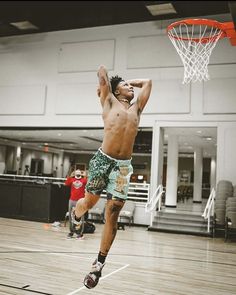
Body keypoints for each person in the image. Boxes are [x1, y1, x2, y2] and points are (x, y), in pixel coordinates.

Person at [71, 65, 152, 289]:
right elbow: (101, 71)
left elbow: (148, 83)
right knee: (90, 202)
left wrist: (129, 82)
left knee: (113, 210)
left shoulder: (137, 109)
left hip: (123, 168)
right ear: (115, 91)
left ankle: (98, 264)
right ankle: (76, 214)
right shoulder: (108, 101)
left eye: (130, 85)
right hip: (102, 160)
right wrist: (111, 83)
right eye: (125, 86)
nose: (130, 88)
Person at [64, 169, 87, 239]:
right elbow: (66, 183)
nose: (77, 175)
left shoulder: (84, 180)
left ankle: (80, 233)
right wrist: (70, 175)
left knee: (80, 217)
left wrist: (85, 175)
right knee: (71, 217)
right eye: (76, 173)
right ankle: (71, 232)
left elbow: (89, 183)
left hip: (81, 201)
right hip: (72, 200)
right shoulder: (71, 179)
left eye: (79, 173)